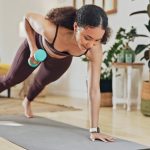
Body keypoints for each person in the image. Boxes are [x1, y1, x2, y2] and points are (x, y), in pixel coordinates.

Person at [0, 4, 114, 142]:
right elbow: (27, 18)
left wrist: (94, 130)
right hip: (37, 46)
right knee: (11, 79)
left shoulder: (94, 50)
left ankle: (27, 101)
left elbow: (94, 89)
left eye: (97, 40)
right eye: (87, 38)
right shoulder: (50, 30)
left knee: (42, 81)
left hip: (60, 59)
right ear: (76, 27)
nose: (91, 44)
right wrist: (33, 48)